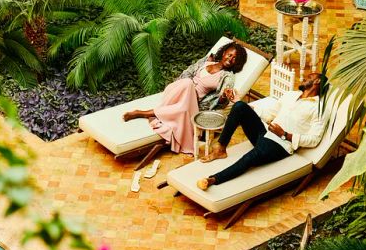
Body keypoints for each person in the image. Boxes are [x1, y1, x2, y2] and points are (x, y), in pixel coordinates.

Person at [197, 72, 326, 190]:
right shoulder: (291, 95)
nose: (303, 78)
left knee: (250, 158)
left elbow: (314, 139)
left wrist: (285, 135)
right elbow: (270, 113)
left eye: (309, 77)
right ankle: (220, 149)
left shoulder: (319, 109)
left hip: (281, 145)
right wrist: (240, 103)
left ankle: (213, 179)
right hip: (266, 133)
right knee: (239, 106)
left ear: (317, 82)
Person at [123, 42, 248, 154]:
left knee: (183, 106)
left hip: (192, 102)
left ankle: (143, 113)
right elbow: (187, 74)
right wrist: (203, 62)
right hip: (178, 90)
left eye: (235, 58)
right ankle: (150, 113)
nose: (231, 59)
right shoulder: (207, 61)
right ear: (224, 52)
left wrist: (224, 96)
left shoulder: (228, 77)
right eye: (230, 55)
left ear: (237, 63)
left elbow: (221, 101)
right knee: (187, 82)